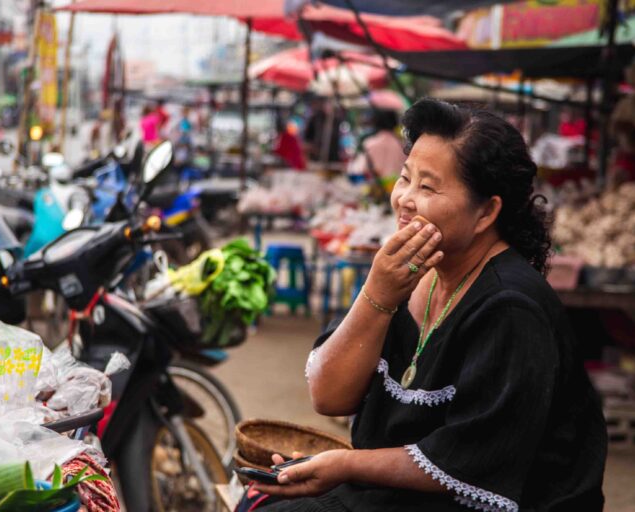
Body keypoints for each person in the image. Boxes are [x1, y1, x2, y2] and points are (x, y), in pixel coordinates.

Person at [252, 99, 607, 511]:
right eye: (405, 179)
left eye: (428, 187)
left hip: (483, 503)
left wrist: (347, 465)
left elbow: (470, 460)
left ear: (486, 212)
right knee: (257, 500)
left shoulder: (511, 307)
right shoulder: (408, 272)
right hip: (402, 496)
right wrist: (377, 295)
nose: (404, 198)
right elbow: (329, 397)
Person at [349, 109, 406, 180]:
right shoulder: (402, 145)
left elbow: (360, 169)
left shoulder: (369, 144)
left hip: (377, 188)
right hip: (397, 186)